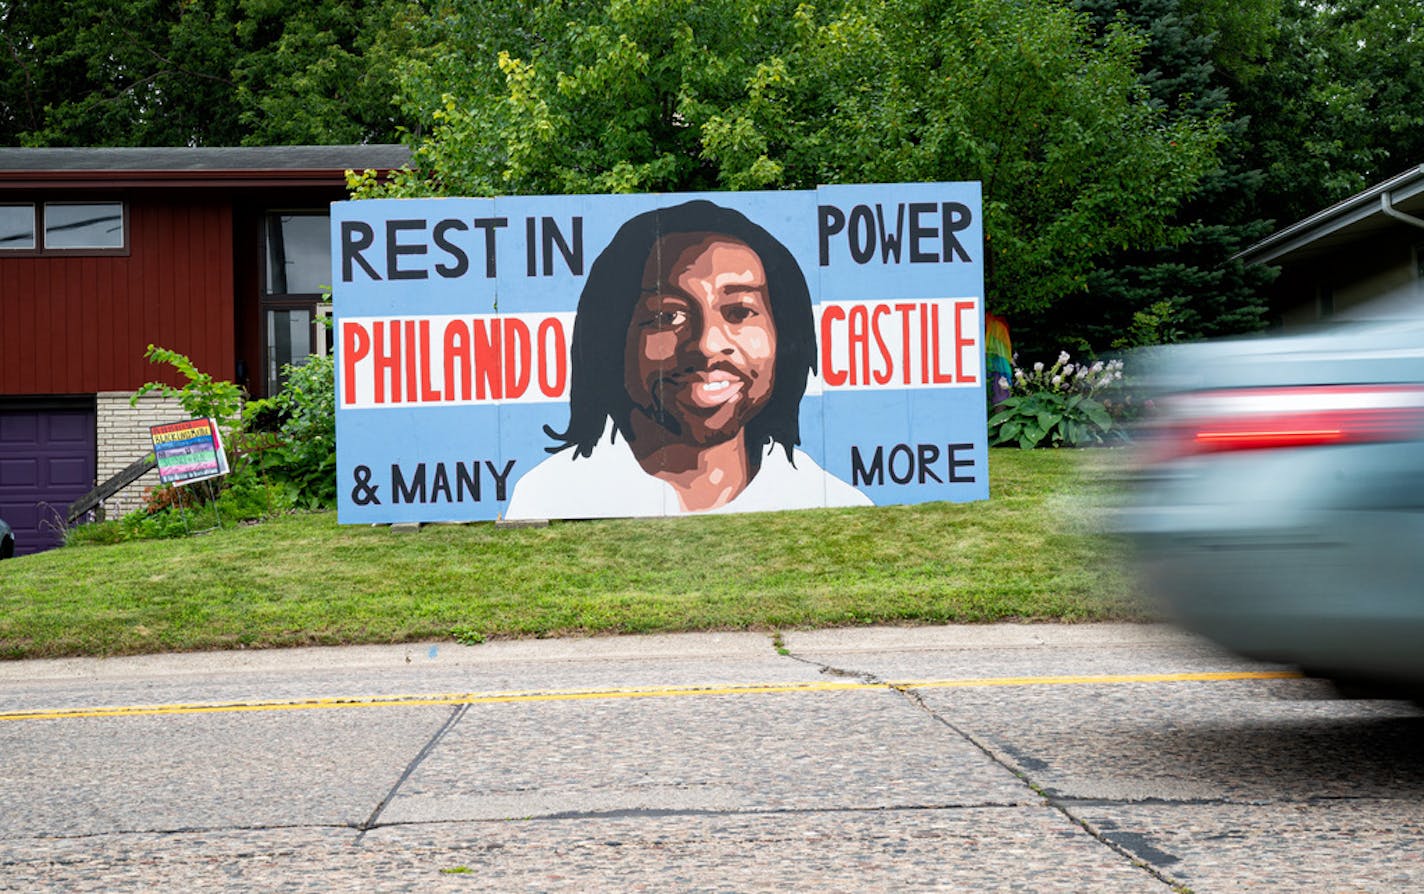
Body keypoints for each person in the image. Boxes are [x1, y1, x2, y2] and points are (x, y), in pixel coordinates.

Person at [505, 200, 870, 519]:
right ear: (612, 338)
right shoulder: (548, 498)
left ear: (784, 333)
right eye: (667, 316)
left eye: (740, 312)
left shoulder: (835, 503)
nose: (708, 345)